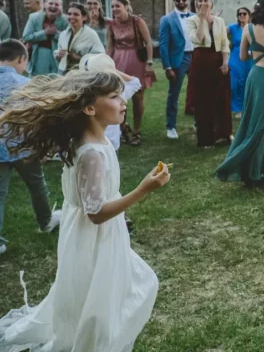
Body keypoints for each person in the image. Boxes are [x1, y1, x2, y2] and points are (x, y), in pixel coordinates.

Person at [0, 70, 169, 351]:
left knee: (104, 289)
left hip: (101, 232)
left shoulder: (99, 142)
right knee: (97, 296)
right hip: (92, 237)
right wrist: (143, 189)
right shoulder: (91, 153)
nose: (123, 100)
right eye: (114, 96)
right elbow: (96, 213)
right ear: (90, 108)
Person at [216, 0, 264, 185]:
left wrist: (257, 51)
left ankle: (250, 166)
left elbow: (242, 57)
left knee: (253, 121)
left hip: (257, 77)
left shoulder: (248, 29)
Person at [0, 39, 61, 256]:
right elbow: (38, 118)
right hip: (23, 146)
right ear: (21, 59)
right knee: (37, 185)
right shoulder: (25, 84)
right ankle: (45, 221)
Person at [107, 0, 154, 146]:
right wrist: (106, 64)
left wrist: (149, 62)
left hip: (137, 61)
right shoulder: (111, 24)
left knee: (138, 97)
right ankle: (122, 128)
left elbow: (148, 42)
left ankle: (137, 131)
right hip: (118, 62)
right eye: (112, 6)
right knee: (119, 96)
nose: (114, 9)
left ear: (126, 6)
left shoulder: (137, 21)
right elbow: (110, 46)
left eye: (117, 6)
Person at [188, 0, 232, 148]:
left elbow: (225, 43)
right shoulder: (191, 20)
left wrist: (226, 62)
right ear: (195, 4)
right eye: (199, 0)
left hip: (218, 59)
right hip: (201, 61)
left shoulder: (219, 21)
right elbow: (197, 39)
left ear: (211, 3)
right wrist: (201, 19)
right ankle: (206, 138)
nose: (202, 3)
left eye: (205, 0)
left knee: (222, 98)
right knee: (204, 101)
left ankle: (224, 134)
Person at [79, 53, 142, 152]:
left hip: (109, 143)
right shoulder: (119, 90)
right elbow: (135, 82)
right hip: (106, 144)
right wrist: (113, 71)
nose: (123, 100)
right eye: (113, 97)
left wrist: (111, 70)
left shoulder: (89, 95)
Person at [159, 0, 195, 140]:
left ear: (187, 0)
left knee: (197, 91)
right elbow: (163, 44)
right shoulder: (167, 19)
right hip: (178, 60)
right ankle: (171, 126)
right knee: (174, 94)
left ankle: (198, 122)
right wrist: (167, 67)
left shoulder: (194, 17)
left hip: (196, 57)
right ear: (174, 1)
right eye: (178, 0)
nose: (181, 2)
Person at [22, 0, 68, 76]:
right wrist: (44, 33)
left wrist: (56, 34)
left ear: (60, 7)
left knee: (56, 81)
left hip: (58, 56)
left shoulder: (65, 20)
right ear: (44, 4)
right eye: (50, 3)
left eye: (57, 4)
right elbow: (26, 37)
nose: (53, 6)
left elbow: (69, 38)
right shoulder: (34, 17)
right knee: (40, 81)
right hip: (39, 54)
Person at [56, 2, 105, 74]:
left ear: (84, 17)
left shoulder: (91, 34)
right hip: (64, 74)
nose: (72, 17)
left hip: (83, 75)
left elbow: (100, 56)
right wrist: (59, 55)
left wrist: (78, 57)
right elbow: (58, 52)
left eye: (76, 14)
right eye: (69, 14)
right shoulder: (63, 34)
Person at [227, 7, 254, 118]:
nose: (242, 15)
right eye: (239, 14)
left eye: (244, 13)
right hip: (235, 57)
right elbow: (218, 32)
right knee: (234, 83)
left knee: (247, 82)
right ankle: (237, 108)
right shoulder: (233, 27)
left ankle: (246, 108)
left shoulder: (253, 27)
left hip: (250, 57)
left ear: (249, 15)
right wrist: (227, 42)